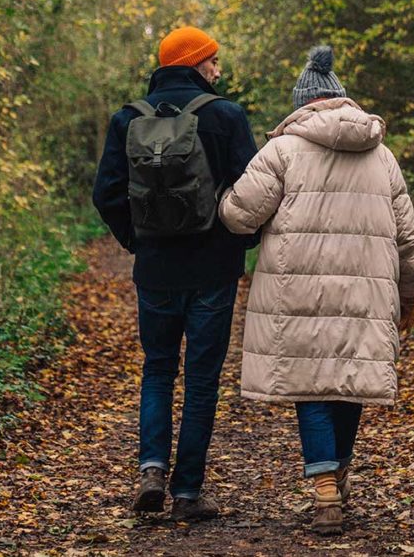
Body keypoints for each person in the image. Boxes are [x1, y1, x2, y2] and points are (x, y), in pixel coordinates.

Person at [218, 45, 414, 534]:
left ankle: (325, 488)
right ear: (343, 101)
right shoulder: (383, 155)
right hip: (366, 295)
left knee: (310, 384)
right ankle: (339, 470)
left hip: (298, 293)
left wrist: (224, 196)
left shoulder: (282, 151)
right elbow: (406, 236)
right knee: (348, 380)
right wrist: (409, 293)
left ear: (301, 106)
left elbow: (239, 214)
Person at [92, 26, 258, 521]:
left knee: (158, 370)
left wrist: (138, 241)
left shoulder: (128, 119)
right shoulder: (225, 116)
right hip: (213, 269)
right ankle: (187, 494)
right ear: (195, 63)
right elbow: (252, 191)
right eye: (213, 61)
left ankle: (150, 470)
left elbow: (106, 195)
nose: (218, 70)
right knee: (202, 383)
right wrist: (239, 243)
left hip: (157, 270)